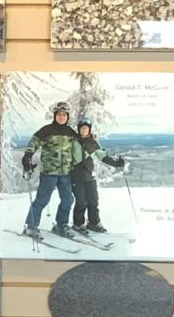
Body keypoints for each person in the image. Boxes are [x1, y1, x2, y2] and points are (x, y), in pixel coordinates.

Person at [20, 102, 82, 241]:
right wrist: (28, 155)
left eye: (64, 115)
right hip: (49, 172)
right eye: (59, 114)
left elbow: (80, 146)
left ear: (67, 117)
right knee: (42, 200)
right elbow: (33, 143)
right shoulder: (46, 130)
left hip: (66, 173)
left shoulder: (71, 133)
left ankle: (61, 225)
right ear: (55, 116)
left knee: (68, 199)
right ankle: (30, 226)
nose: (61, 117)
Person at [68, 120, 127, 236]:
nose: (84, 130)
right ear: (79, 129)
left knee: (93, 201)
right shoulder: (73, 142)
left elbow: (103, 157)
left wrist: (116, 164)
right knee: (81, 202)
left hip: (90, 176)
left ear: (89, 130)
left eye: (86, 128)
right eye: (82, 128)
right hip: (77, 176)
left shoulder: (93, 143)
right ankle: (78, 224)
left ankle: (93, 223)